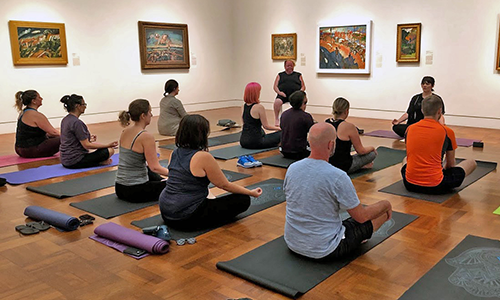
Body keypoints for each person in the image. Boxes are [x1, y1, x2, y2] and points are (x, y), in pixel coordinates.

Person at [284, 122, 392, 259]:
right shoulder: (337, 176)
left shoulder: (292, 168)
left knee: (344, 219)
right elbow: (361, 216)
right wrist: (386, 204)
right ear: (331, 145)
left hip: (293, 242)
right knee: (380, 214)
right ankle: (359, 237)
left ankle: (357, 236)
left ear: (309, 142)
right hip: (326, 249)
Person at [159, 114, 262, 230]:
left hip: (165, 211)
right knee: (243, 199)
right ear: (202, 135)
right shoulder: (203, 157)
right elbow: (224, 185)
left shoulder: (174, 153)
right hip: (186, 216)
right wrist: (250, 192)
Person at [402, 95, 476, 194]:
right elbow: (450, 164)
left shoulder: (409, 129)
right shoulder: (447, 132)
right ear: (439, 111)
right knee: (471, 162)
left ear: (422, 110)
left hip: (409, 184)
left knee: (405, 159)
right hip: (436, 185)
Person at [115, 99, 169, 203]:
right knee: (177, 184)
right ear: (143, 116)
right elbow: (155, 168)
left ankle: (162, 181)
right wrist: (176, 175)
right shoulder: (145, 136)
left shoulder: (125, 131)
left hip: (120, 188)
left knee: (147, 169)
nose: (151, 115)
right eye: (150, 112)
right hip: (136, 191)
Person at [59, 94, 117, 169]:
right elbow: (87, 145)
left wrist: (88, 138)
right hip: (74, 161)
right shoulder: (77, 123)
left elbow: (71, 139)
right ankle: (99, 162)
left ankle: (98, 162)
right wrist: (108, 145)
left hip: (64, 160)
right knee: (109, 150)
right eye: (84, 104)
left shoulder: (65, 120)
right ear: (77, 106)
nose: (85, 107)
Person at [326, 97, 377, 173]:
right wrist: (372, 148)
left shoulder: (326, 123)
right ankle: (360, 166)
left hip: (328, 164)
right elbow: (361, 151)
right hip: (344, 166)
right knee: (372, 154)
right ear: (346, 111)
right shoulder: (349, 127)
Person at [14, 90, 60, 158]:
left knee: (54, 137)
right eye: (39, 97)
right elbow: (53, 132)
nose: (41, 99)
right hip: (29, 150)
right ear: (33, 101)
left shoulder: (23, 112)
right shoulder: (35, 115)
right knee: (64, 138)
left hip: (19, 149)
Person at [240, 82, 281, 149]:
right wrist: (279, 128)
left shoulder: (243, 107)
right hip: (256, 142)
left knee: (260, 130)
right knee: (282, 133)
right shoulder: (259, 107)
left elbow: (245, 124)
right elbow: (266, 126)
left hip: (243, 141)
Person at [279, 90, 314, 160]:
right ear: (302, 103)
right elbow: (313, 132)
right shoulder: (305, 116)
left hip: (284, 150)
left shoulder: (284, 114)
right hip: (299, 152)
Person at [273, 60, 306, 126]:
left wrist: (299, 92)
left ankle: (301, 117)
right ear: (285, 66)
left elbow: (303, 86)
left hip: (295, 95)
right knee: (277, 102)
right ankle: (277, 119)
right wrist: (279, 93)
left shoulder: (298, 75)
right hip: (283, 95)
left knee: (301, 102)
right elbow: (275, 86)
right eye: (288, 66)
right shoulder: (280, 75)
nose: (290, 67)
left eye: (291, 65)